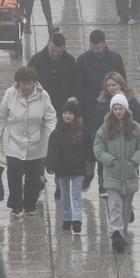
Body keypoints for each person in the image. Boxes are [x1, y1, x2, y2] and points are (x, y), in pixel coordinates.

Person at [0, 66, 58, 217]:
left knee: (33, 178)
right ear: (18, 83)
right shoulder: (10, 94)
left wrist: (52, 138)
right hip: (13, 142)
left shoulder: (43, 96)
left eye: (29, 83)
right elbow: (1, 117)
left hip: (36, 144)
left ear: (34, 82)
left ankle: (29, 206)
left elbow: (50, 118)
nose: (27, 87)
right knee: (14, 174)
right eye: (23, 84)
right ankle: (15, 206)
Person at [74, 30, 126, 190]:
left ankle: (103, 182)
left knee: (107, 146)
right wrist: (79, 114)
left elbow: (123, 82)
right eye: (92, 48)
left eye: (98, 48)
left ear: (104, 44)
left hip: (110, 108)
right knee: (90, 145)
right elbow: (78, 88)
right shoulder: (83, 60)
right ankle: (89, 173)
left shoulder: (115, 59)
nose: (95, 51)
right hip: (90, 109)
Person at [94, 94, 140, 253]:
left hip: (129, 175)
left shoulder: (135, 128)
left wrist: (133, 162)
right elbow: (98, 148)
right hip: (112, 174)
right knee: (115, 204)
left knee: (126, 207)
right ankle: (115, 231)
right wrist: (110, 161)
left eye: (120, 108)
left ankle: (122, 233)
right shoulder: (105, 128)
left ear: (125, 109)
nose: (118, 111)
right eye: (115, 108)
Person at [46, 100, 95, 234]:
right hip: (62, 170)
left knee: (76, 195)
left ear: (75, 115)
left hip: (78, 169)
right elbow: (52, 151)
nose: (67, 116)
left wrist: (92, 160)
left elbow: (88, 150)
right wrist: (50, 166)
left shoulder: (83, 132)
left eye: (70, 113)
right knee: (65, 196)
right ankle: (67, 219)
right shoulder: (56, 134)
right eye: (65, 113)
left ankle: (77, 220)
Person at [93, 71, 140, 194]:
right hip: (109, 148)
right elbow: (96, 124)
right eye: (108, 85)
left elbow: (139, 125)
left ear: (121, 84)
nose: (111, 88)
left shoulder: (131, 102)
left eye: (114, 85)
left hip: (128, 149)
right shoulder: (102, 102)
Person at [29, 32, 77, 115]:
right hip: (40, 106)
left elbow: (76, 84)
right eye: (53, 50)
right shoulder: (36, 60)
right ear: (48, 45)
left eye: (59, 51)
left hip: (63, 107)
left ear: (64, 48)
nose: (55, 54)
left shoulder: (70, 62)